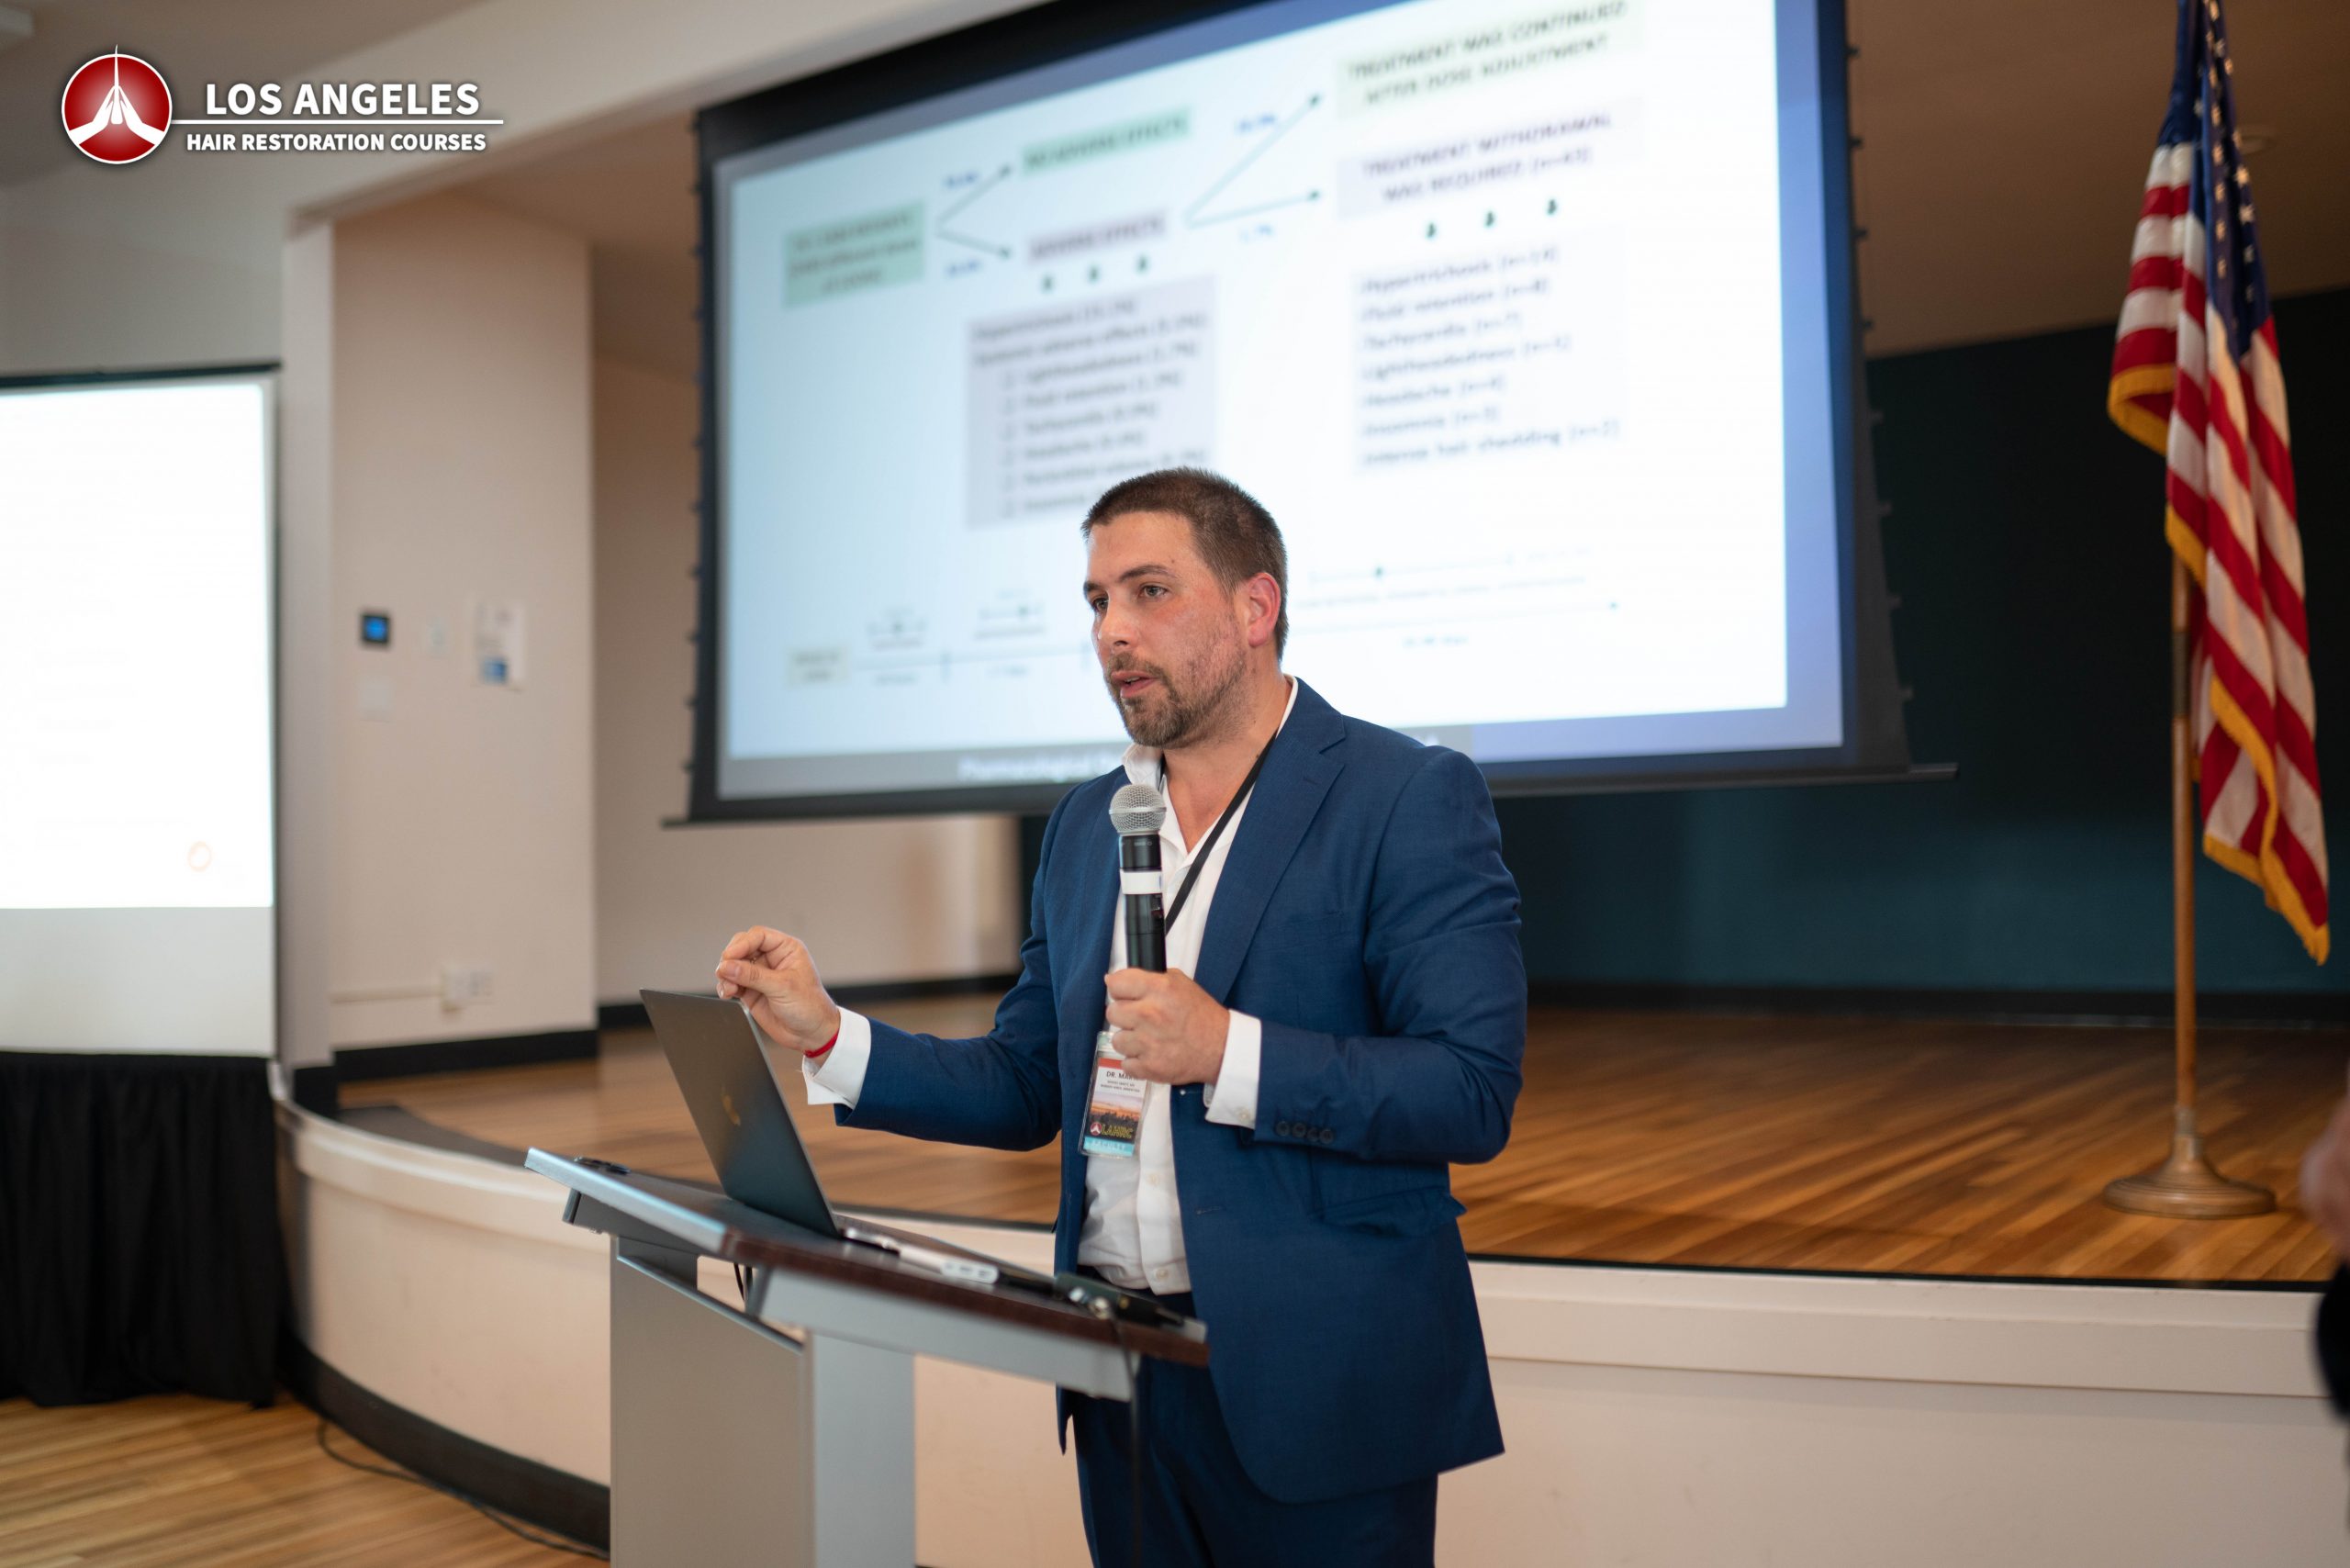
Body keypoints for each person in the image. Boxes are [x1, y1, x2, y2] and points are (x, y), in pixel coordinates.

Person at [715, 467, 1526, 1567]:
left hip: (1317, 1380)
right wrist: (827, 1033)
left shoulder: (1402, 794)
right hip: (1120, 1375)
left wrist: (1224, 1051)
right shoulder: (1087, 822)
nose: (1112, 631)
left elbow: (1467, 1090)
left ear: (1255, 607)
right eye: (1097, 601)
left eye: (1149, 592)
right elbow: (1026, 1082)